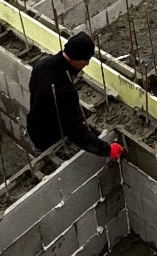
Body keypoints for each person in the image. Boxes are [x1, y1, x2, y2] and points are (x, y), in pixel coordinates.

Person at [26, 31, 125, 162]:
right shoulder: (64, 89)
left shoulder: (43, 62)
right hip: (47, 140)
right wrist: (107, 149)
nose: (87, 64)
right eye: (86, 60)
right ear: (75, 58)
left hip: (33, 127)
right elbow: (75, 131)